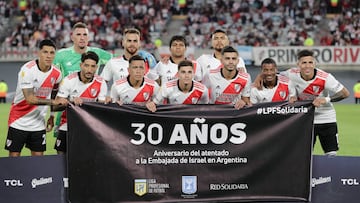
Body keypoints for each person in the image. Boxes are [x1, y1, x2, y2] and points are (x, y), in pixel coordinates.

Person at [52, 22, 113, 137]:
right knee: (63, 149)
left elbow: (120, 63)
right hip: (66, 110)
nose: (82, 37)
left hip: (90, 111)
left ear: (89, 37)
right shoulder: (61, 55)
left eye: (85, 34)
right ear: (72, 37)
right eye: (78, 34)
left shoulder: (98, 53)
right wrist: (50, 114)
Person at [5, 39, 63, 157]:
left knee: (38, 163)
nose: (48, 56)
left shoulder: (57, 74)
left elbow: (53, 94)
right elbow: (30, 99)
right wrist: (53, 102)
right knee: (13, 161)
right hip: (18, 121)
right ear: (38, 53)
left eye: (52, 53)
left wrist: (51, 116)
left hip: (38, 124)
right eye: (45, 52)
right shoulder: (27, 70)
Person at [287, 49, 350, 156]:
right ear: (298, 64)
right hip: (305, 119)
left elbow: (345, 93)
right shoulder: (290, 73)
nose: (307, 66)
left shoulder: (325, 78)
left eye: (310, 62)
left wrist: (326, 100)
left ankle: (329, 173)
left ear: (315, 63)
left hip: (327, 118)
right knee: (304, 155)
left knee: (331, 155)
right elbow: (272, 74)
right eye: (304, 63)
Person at [53, 51, 110, 154]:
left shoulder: (101, 83)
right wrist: (70, 101)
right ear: (81, 65)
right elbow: (55, 107)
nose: (89, 70)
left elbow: (101, 108)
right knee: (61, 159)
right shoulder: (68, 81)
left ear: (97, 67)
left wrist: (108, 102)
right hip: (67, 126)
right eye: (86, 65)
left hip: (89, 127)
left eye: (93, 66)